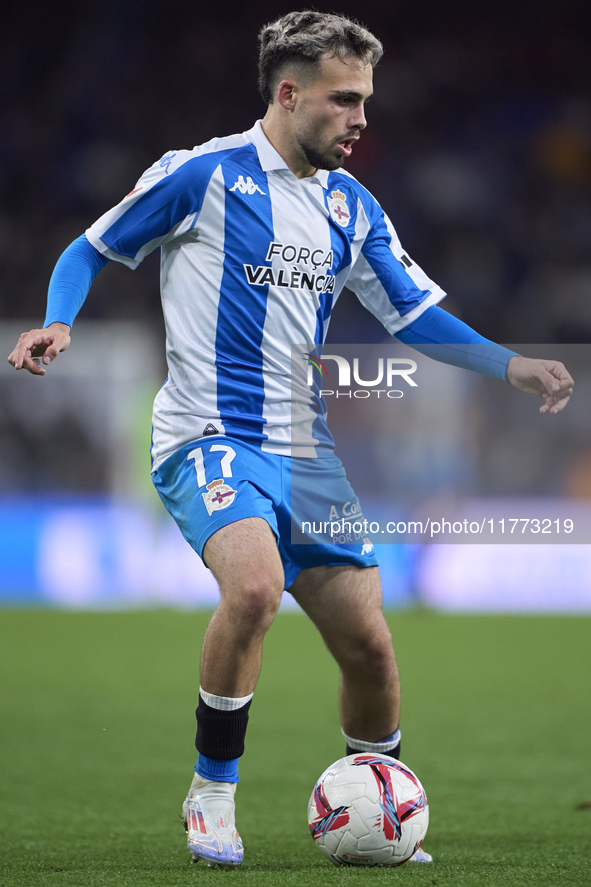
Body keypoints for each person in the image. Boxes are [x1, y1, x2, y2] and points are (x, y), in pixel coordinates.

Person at [8, 10, 573, 870]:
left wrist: (511, 367)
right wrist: (58, 322)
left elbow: (414, 318)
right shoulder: (201, 175)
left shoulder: (352, 205)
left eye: (365, 100)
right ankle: (211, 794)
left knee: (370, 644)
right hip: (206, 434)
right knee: (254, 591)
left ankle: (379, 799)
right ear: (288, 92)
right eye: (344, 100)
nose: (361, 119)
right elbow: (87, 250)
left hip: (304, 450)